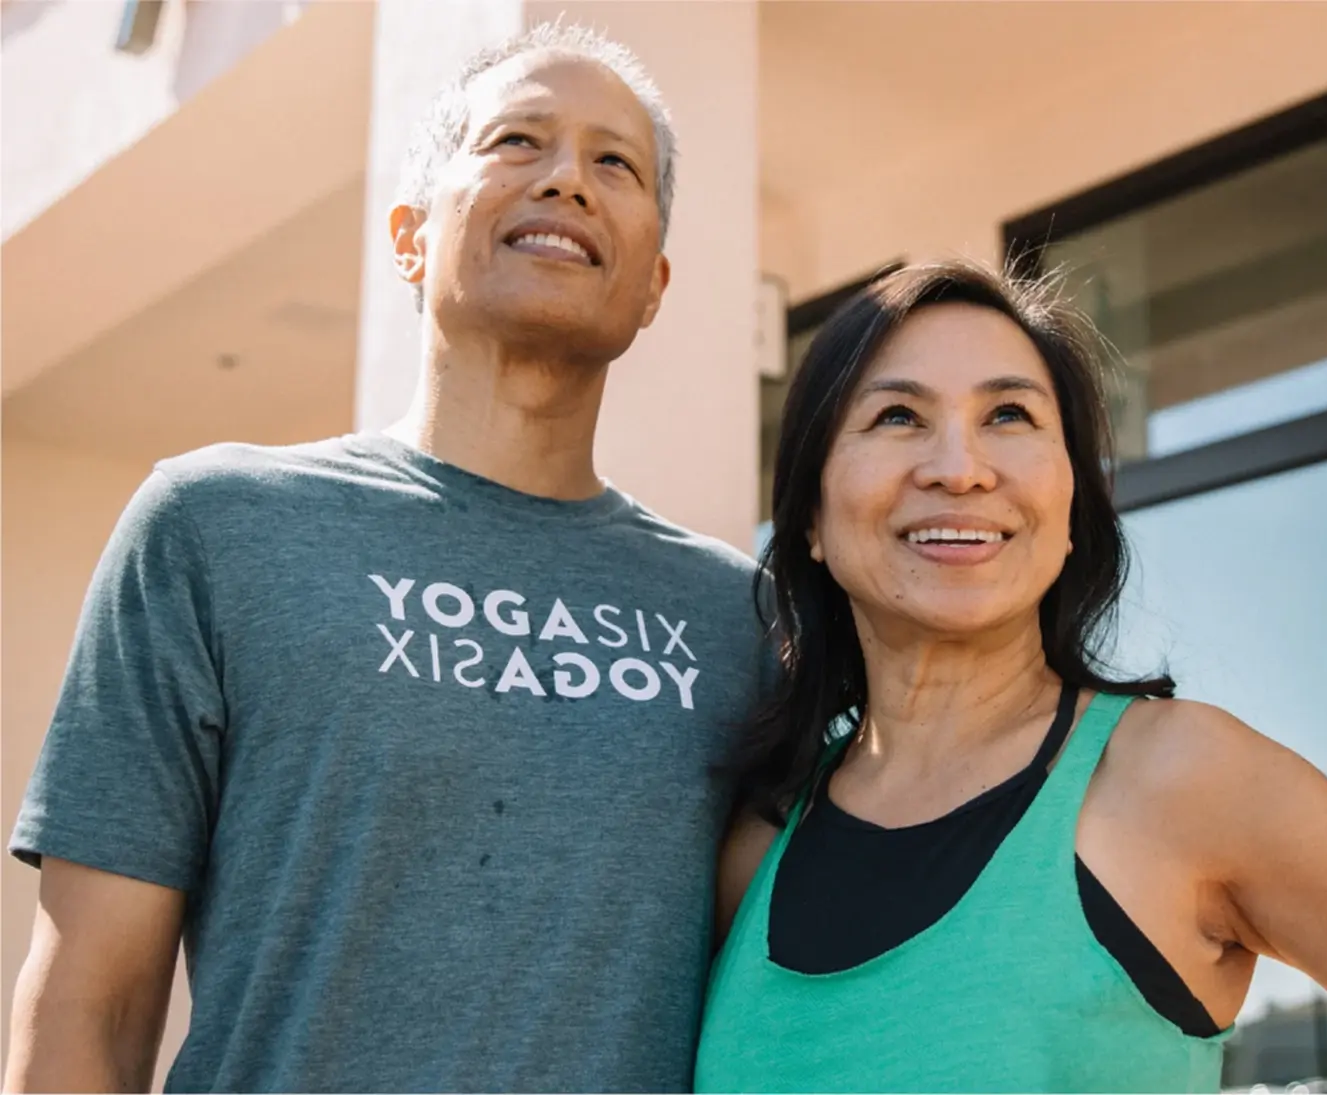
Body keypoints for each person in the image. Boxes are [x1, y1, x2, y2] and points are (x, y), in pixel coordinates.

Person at [7, 23, 769, 1094]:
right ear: (410, 237)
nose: (567, 179)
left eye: (615, 163)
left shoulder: (737, 618)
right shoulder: (215, 526)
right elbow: (94, 1003)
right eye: (517, 140)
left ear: (653, 285)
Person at [695, 261, 1327, 1093]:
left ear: (1069, 508)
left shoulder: (1183, 781)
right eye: (898, 415)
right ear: (809, 514)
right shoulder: (756, 848)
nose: (959, 467)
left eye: (1009, 414)